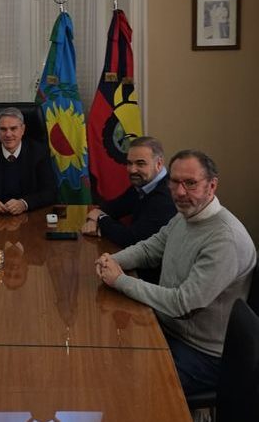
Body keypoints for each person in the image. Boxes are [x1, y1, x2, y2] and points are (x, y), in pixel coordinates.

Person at [95, 149, 256, 396]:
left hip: (202, 353)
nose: (180, 192)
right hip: (167, 328)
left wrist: (120, 281)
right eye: (175, 182)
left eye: (191, 183)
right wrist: (111, 259)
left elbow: (182, 304)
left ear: (211, 186)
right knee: (107, 355)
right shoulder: (185, 215)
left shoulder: (225, 239)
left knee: (125, 384)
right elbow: (150, 248)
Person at [82, 136, 176, 247]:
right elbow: (112, 208)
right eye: (130, 163)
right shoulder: (144, 184)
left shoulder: (166, 196)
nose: (132, 170)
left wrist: (100, 218)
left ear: (159, 164)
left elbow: (131, 239)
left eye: (140, 164)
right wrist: (95, 219)